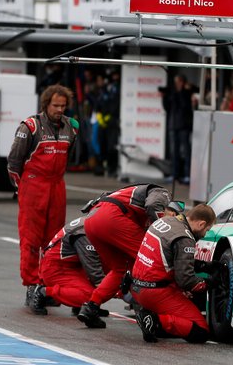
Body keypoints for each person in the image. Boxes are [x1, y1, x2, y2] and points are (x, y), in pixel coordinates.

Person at [7, 84, 78, 307]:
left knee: (54, 240)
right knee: (31, 239)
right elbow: (13, 161)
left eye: (63, 106)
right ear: (45, 104)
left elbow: (71, 156)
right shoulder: (30, 126)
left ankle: (48, 285)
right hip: (33, 186)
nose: (59, 109)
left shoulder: (71, 128)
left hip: (57, 186)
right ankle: (31, 285)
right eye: (55, 105)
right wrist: (22, 189)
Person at [77, 183, 170, 329]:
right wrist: (164, 232)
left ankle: (91, 306)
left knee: (119, 269)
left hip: (91, 220)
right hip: (111, 218)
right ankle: (154, 309)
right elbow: (153, 205)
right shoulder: (161, 192)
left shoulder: (125, 193)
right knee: (152, 258)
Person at [130, 204, 216, 343]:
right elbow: (186, 281)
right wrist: (209, 283)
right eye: (207, 229)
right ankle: (154, 319)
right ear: (201, 224)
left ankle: (152, 321)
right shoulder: (185, 238)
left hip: (136, 287)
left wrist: (201, 265)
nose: (205, 234)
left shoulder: (164, 221)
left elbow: (169, 258)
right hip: (155, 292)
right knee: (201, 331)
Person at [31, 216, 106, 316]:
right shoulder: (84, 234)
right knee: (93, 295)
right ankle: (44, 292)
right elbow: (95, 273)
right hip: (56, 268)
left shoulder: (99, 215)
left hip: (72, 264)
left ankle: (81, 306)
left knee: (108, 263)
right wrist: (116, 291)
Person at [161, 74, 197, 184]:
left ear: (183, 82)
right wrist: (163, 97)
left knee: (186, 151)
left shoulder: (186, 93)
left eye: (179, 81)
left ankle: (187, 175)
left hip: (184, 126)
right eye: (176, 81)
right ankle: (174, 175)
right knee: (174, 152)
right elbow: (167, 108)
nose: (177, 84)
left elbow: (186, 106)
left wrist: (182, 91)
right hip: (173, 126)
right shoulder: (172, 93)